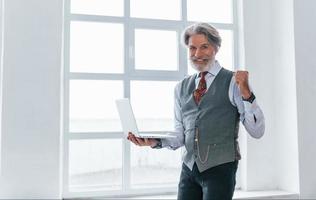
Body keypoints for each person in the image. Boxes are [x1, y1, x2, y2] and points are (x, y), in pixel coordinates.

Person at [127, 22, 265, 200]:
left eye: (204, 47)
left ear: (216, 48)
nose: (197, 54)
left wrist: (247, 94)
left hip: (220, 169)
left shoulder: (233, 82)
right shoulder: (181, 87)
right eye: (192, 48)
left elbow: (257, 131)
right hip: (189, 170)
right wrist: (153, 141)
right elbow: (180, 135)